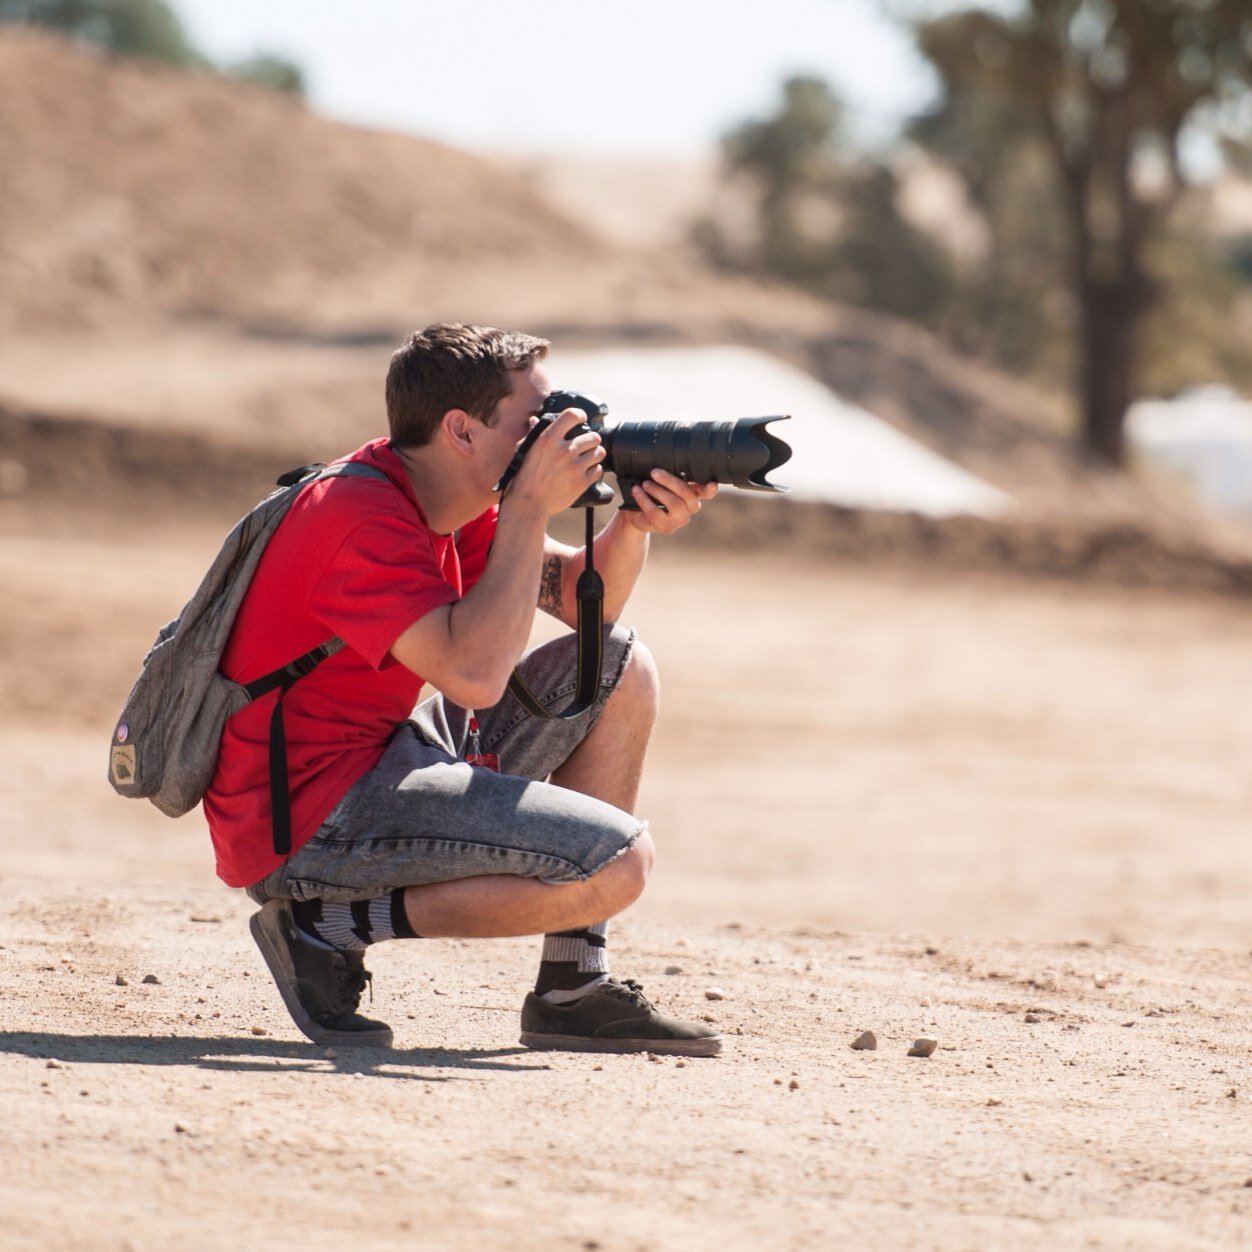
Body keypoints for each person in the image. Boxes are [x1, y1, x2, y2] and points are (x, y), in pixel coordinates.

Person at [204, 322, 722, 1056]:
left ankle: (571, 990)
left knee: (616, 665)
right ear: (461, 430)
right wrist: (527, 508)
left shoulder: (446, 495)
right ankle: (322, 925)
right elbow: (475, 678)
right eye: (533, 424)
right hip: (307, 818)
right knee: (618, 864)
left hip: (379, 754)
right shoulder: (356, 520)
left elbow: (579, 602)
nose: (555, 437)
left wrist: (631, 523)